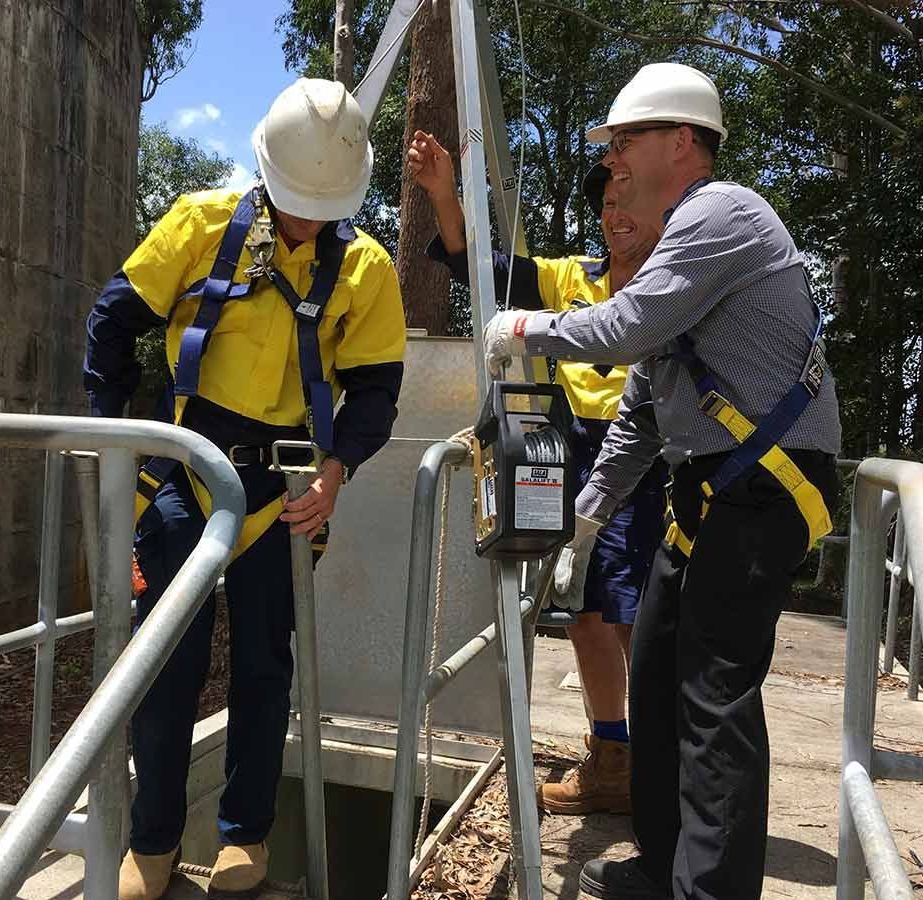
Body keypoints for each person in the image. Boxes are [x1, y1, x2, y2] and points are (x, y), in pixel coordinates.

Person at [482, 62, 841, 900]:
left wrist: (529, 325)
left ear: (682, 142)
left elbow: (623, 331)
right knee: (655, 674)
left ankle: (708, 891)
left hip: (760, 487)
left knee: (712, 693)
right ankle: (662, 861)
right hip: (711, 491)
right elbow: (641, 409)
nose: (612, 162)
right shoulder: (678, 252)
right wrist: (585, 517)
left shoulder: (724, 211)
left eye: (625, 141)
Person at [84, 78, 406, 900]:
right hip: (184, 473)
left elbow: (374, 391)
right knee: (166, 666)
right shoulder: (198, 226)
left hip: (287, 491)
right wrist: (112, 445)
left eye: (320, 206)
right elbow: (113, 323)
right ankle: (151, 843)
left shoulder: (364, 268)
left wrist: (337, 473)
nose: (306, 220)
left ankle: (244, 836)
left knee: (265, 668)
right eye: (297, 203)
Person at [407, 130, 667, 816]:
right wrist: (442, 194)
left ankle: (665, 760)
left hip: (652, 455)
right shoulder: (568, 278)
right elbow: (479, 269)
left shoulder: (680, 281)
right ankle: (611, 754)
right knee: (584, 612)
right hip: (575, 452)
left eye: (630, 199)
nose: (617, 213)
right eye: (608, 201)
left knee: (641, 614)